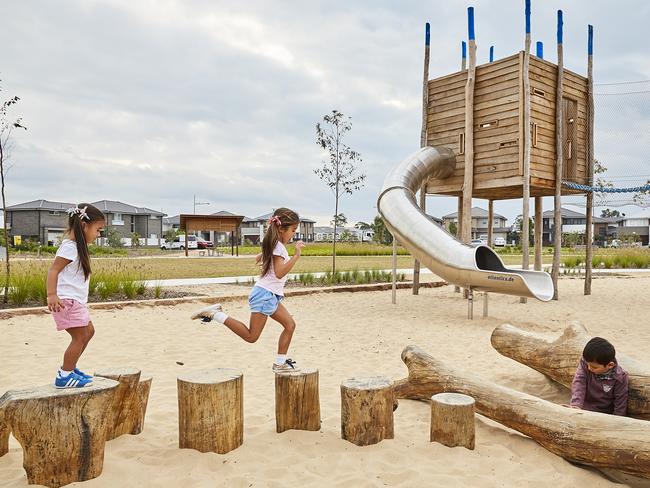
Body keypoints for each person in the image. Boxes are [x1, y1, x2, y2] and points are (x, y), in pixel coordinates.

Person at [191, 208, 304, 373]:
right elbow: (279, 273)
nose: (293, 235)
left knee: (290, 325)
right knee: (251, 336)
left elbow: (260, 258)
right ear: (281, 229)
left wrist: (265, 256)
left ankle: (280, 363)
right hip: (265, 296)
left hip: (269, 295)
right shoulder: (278, 248)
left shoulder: (274, 245)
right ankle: (215, 314)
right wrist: (296, 256)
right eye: (292, 230)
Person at [47, 204, 106, 388]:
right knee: (79, 337)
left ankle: (69, 369)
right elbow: (53, 270)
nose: (98, 235)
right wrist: (51, 294)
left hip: (75, 301)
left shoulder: (76, 247)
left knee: (89, 332)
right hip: (66, 301)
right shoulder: (70, 247)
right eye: (97, 230)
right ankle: (64, 376)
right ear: (83, 225)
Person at [566, 337, 629, 416]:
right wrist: (575, 405)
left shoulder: (620, 377)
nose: (589, 368)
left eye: (594, 367)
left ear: (610, 365)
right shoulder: (585, 363)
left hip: (603, 413)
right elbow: (579, 383)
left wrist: (618, 419)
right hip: (582, 408)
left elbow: (620, 402)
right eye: (588, 364)